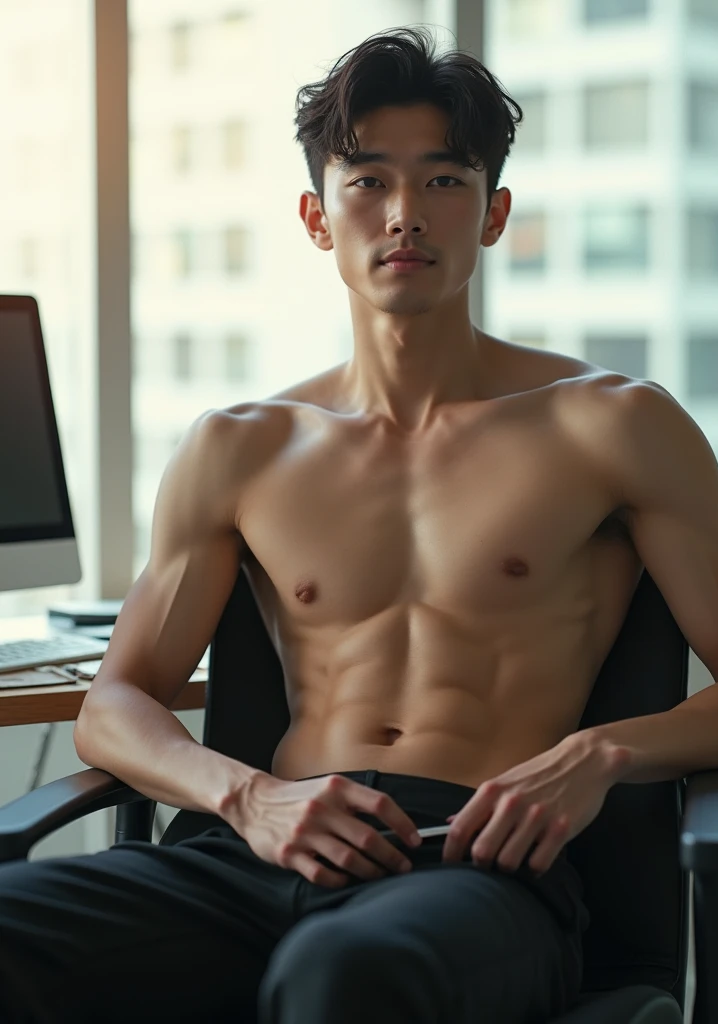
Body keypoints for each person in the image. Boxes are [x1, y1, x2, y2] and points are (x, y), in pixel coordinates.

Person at [0, 24, 679, 1024]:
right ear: (319, 218)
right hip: (265, 846)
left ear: (492, 214)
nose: (406, 214)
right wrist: (246, 798)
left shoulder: (615, 425)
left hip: (473, 868)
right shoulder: (240, 446)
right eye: (368, 182)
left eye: (444, 181)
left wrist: (602, 754)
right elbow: (116, 704)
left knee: (343, 975)